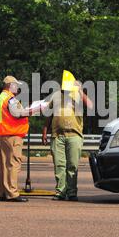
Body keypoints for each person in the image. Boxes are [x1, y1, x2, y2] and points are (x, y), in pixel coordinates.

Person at [42, 71, 93, 201]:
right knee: (59, 165)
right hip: (57, 136)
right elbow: (48, 115)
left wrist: (80, 90)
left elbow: (91, 106)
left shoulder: (78, 95)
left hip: (74, 135)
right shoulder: (55, 95)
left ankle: (71, 192)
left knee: (72, 165)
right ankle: (60, 192)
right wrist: (44, 131)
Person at [0, 75, 35, 202]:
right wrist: (33, 110)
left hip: (3, 134)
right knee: (14, 163)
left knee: (4, 164)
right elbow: (18, 114)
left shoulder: (1, 97)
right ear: (10, 85)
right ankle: (12, 193)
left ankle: (3, 192)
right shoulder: (11, 99)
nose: (17, 87)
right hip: (12, 134)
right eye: (16, 85)